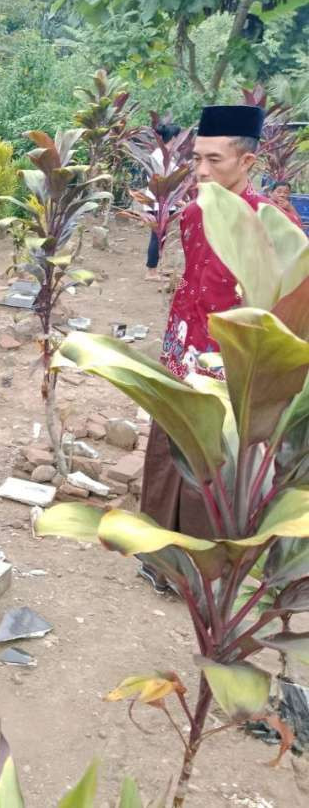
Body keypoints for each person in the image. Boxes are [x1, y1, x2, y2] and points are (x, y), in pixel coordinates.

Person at [139, 105, 301, 593]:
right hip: (183, 349)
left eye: (215, 160)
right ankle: (157, 555)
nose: (202, 171)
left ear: (248, 161)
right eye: (196, 160)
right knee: (171, 449)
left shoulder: (272, 223)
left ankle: (207, 569)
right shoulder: (192, 212)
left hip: (236, 363)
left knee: (217, 460)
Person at [144, 122, 181, 282]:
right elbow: (163, 182)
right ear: (173, 138)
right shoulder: (160, 156)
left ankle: (156, 268)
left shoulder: (162, 154)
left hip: (164, 203)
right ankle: (151, 272)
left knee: (161, 236)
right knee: (157, 236)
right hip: (159, 204)